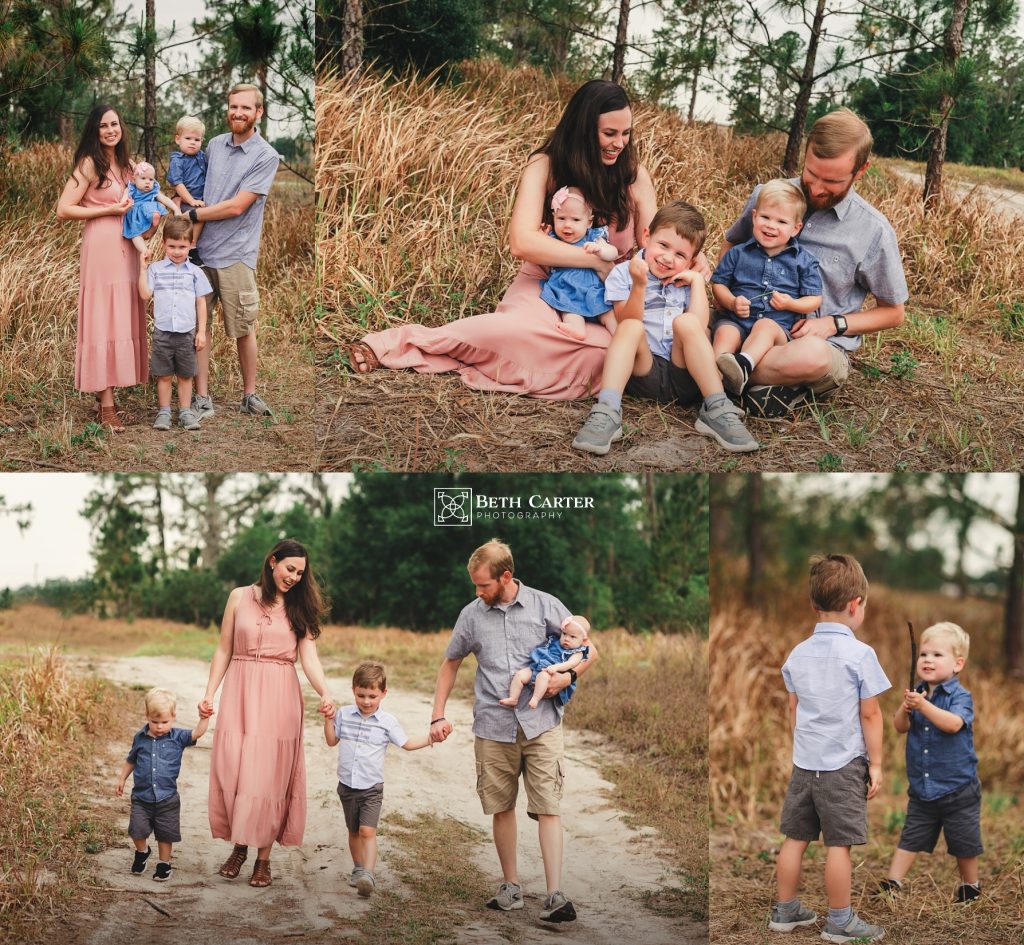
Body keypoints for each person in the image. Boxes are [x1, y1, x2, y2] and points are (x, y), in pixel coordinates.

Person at [347, 80, 712, 400]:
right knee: (512, 330)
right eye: (609, 134)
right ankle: (399, 343)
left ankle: (478, 357)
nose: (619, 143)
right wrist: (595, 260)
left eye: (626, 133)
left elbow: (654, 242)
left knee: (602, 352)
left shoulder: (634, 176)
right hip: (544, 282)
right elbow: (522, 243)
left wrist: (692, 260)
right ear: (585, 129)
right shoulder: (546, 165)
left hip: (606, 295)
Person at [429, 540, 597, 923]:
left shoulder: (545, 605)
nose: (478, 592)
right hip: (493, 725)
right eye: (474, 585)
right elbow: (450, 664)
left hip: (542, 725)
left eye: (483, 585)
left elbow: (590, 649)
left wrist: (568, 675)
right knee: (501, 806)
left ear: (506, 577)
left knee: (548, 806)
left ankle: (555, 895)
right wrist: (437, 715)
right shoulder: (471, 615)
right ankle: (511, 887)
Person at [720, 108, 909, 418]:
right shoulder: (768, 197)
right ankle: (757, 383)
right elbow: (732, 245)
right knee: (689, 322)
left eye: (832, 181)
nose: (817, 189)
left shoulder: (873, 231)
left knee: (813, 358)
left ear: (860, 171)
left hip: (807, 345)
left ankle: (716, 375)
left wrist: (833, 324)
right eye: (812, 173)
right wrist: (725, 295)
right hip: (744, 325)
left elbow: (893, 313)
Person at [571, 201, 758, 455]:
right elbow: (627, 318)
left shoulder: (685, 279)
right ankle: (607, 410)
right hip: (644, 371)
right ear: (647, 237)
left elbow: (700, 325)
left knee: (687, 322)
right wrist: (639, 284)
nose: (669, 258)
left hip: (684, 373)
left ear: (692, 260)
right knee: (629, 328)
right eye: (663, 245)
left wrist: (695, 284)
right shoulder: (623, 273)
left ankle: (716, 407)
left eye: (681, 255)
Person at [200, 538, 335, 889]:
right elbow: (223, 649)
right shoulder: (238, 597)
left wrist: (326, 692)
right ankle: (239, 845)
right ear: (273, 561)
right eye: (290, 568)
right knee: (237, 767)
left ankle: (262, 859)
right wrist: (209, 692)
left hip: (279, 694)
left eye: (300, 573)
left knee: (268, 776)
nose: (294, 577)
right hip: (240, 689)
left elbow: (310, 659)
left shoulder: (299, 607)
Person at [769, 554, 890, 943]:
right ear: (856, 604)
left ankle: (785, 911)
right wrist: (877, 764)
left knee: (795, 838)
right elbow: (870, 714)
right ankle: (839, 921)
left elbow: (794, 707)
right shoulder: (861, 654)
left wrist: (802, 744)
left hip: (805, 763)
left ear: (814, 605)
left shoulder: (797, 653)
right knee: (839, 844)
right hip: (843, 764)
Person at [185, 84, 280, 420]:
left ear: (259, 112)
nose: (238, 113)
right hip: (200, 253)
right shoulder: (213, 145)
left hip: (237, 254)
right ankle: (202, 398)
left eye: (245, 108)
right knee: (200, 328)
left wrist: (194, 215)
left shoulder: (266, 155)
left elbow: (237, 207)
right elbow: (196, 184)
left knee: (243, 327)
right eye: (233, 106)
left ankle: (249, 395)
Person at [876, 622, 983, 904]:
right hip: (923, 787)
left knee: (963, 841)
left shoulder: (960, 697)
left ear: (958, 664)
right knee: (911, 836)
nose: (927, 660)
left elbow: (953, 724)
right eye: (924, 654)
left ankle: (970, 886)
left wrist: (923, 706)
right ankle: (893, 883)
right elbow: (899, 727)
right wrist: (906, 707)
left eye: (937, 655)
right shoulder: (918, 693)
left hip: (958, 788)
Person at [57, 103, 147, 431]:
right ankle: (105, 406)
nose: (110, 130)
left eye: (115, 124)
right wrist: (106, 210)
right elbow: (63, 209)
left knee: (122, 316)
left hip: (128, 246)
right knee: (103, 319)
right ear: (95, 131)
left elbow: (143, 198)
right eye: (103, 126)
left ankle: (109, 398)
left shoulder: (127, 165)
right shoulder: (88, 164)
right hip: (101, 247)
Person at [323, 660, 431, 898]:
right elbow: (331, 741)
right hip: (347, 787)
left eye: (372, 696)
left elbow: (408, 744)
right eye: (361, 695)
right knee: (353, 832)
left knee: (367, 831)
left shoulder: (387, 722)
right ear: (353, 690)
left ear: (384, 694)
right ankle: (358, 868)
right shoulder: (344, 715)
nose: (366, 701)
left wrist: (432, 738)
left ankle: (368, 875)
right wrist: (327, 719)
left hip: (371, 788)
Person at [711, 180, 822, 396]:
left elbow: (814, 299)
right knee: (724, 333)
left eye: (781, 221)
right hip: (737, 320)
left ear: (795, 228)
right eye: (765, 217)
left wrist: (791, 303)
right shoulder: (738, 253)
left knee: (765, 326)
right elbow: (719, 285)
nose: (771, 225)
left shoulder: (804, 261)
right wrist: (732, 302)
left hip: (776, 329)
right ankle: (715, 386)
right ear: (754, 217)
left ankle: (743, 365)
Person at [115, 687, 212, 882]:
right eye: (154, 722)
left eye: (165, 722)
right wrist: (122, 778)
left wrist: (205, 716)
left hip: (167, 798)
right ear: (147, 716)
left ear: (174, 717)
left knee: (165, 834)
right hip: (141, 797)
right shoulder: (140, 738)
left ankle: (164, 863)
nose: (159, 727)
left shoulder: (177, 737)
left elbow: (198, 733)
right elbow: (131, 760)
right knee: (136, 830)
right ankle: (142, 851)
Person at [138, 217, 210, 430]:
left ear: (190, 245)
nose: (177, 251)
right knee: (164, 375)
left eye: (182, 246)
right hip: (163, 333)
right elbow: (144, 294)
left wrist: (201, 332)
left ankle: (186, 412)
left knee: (186, 375)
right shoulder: (156, 269)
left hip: (186, 333)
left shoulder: (196, 272)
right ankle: (164, 412)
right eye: (172, 246)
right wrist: (143, 268)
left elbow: (201, 303)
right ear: (164, 244)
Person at [540, 187, 619, 340]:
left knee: (608, 314)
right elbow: (541, 254)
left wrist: (600, 250)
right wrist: (543, 237)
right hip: (567, 286)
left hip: (593, 288)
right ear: (553, 217)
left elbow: (613, 253)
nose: (567, 225)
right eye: (561, 218)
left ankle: (621, 337)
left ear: (589, 222)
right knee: (570, 310)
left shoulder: (594, 237)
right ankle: (577, 329)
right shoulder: (553, 239)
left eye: (576, 220)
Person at [499, 615, 590, 709]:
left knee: (543, 676)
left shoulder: (578, 653)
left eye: (572, 636)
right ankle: (513, 698)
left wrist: (556, 667)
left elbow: (570, 664)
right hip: (538, 666)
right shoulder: (555, 641)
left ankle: (535, 699)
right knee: (520, 675)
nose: (566, 638)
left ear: (583, 640)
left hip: (553, 674)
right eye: (564, 633)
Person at [167, 115, 208, 255]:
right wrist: (191, 201)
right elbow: (178, 184)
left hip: (199, 198)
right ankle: (192, 247)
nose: (193, 143)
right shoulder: (178, 160)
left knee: (195, 222)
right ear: (178, 139)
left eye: (197, 140)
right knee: (199, 218)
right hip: (187, 199)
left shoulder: (201, 156)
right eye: (188, 138)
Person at [122, 161, 179, 257]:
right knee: (135, 235)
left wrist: (176, 209)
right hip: (136, 218)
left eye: (151, 179)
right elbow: (123, 199)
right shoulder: (131, 189)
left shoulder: (153, 191)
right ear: (134, 179)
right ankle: (145, 250)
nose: (147, 182)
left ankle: (153, 217)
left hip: (149, 211)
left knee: (154, 205)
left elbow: (165, 199)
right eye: (143, 178)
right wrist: (126, 204)